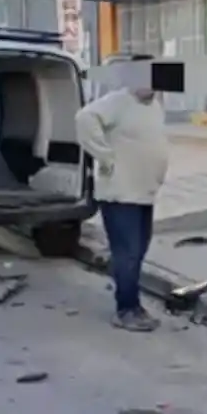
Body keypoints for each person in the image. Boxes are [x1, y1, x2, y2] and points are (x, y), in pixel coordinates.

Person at [75, 71, 169, 332]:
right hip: (120, 193)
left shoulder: (154, 106)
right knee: (126, 252)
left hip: (143, 192)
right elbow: (84, 118)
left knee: (138, 250)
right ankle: (125, 309)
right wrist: (104, 156)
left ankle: (134, 306)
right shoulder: (117, 101)